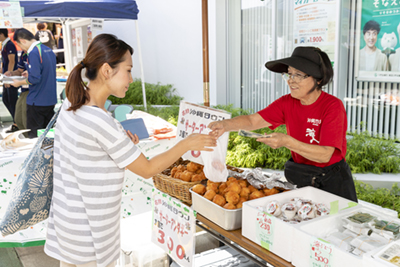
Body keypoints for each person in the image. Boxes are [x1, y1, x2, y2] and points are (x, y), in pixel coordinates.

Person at [43, 33, 217, 267]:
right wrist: (186, 143)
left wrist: (118, 140)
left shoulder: (72, 102)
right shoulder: (102, 122)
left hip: (68, 226)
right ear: (107, 70)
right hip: (89, 234)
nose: (132, 79)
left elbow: (87, 149)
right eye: (128, 70)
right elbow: (147, 169)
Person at [209, 46, 358, 202]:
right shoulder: (287, 102)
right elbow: (253, 121)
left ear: (318, 79)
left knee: (335, 223)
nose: (291, 80)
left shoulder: (332, 106)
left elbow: (325, 155)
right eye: (289, 74)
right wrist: (225, 125)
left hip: (332, 181)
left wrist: (287, 141)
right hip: (302, 176)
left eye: (298, 75)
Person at [10, 28, 57, 138]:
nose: (21, 48)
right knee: (48, 137)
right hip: (50, 100)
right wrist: (29, 72)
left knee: (35, 138)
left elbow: (35, 79)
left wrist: (19, 83)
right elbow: (45, 71)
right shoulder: (47, 49)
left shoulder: (33, 52)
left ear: (23, 41)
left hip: (37, 101)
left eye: (20, 45)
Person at [0, 28, 19, 133]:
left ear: (2, 34)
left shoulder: (10, 45)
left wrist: (8, 78)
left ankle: (17, 123)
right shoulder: (4, 45)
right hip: (6, 77)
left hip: (11, 78)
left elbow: (12, 61)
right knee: (6, 100)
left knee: (12, 100)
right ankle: (16, 121)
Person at [4, 52, 28, 134]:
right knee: (19, 119)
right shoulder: (24, 54)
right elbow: (19, 70)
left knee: (26, 121)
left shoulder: (35, 52)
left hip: (32, 91)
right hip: (23, 89)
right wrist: (11, 73)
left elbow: (36, 75)